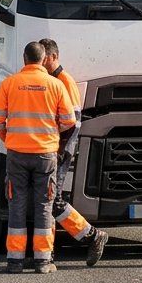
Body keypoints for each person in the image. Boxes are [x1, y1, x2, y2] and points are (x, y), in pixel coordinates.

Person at [0, 41, 77, 274]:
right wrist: (52, 134)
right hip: (46, 154)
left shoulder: (10, 83)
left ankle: (15, 261)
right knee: (44, 205)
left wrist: (8, 137)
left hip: (17, 153)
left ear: (24, 59)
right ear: (42, 59)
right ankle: (42, 261)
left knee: (16, 204)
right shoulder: (56, 85)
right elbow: (69, 120)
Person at [37, 38, 110, 266]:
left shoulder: (64, 81)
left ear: (53, 57)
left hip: (58, 150)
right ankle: (47, 252)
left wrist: (59, 150)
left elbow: (73, 123)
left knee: (54, 200)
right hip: (52, 149)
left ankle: (92, 235)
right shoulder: (52, 80)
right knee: (47, 200)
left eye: (44, 58)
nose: (41, 62)